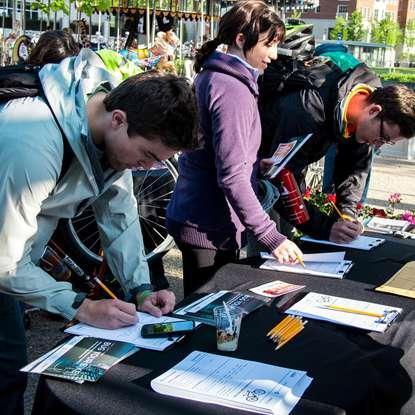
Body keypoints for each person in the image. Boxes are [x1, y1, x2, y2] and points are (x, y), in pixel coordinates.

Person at [0, 48, 198, 414]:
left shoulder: (105, 134)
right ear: (119, 119)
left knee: (9, 367)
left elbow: (120, 220)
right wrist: (80, 306)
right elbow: (4, 262)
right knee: (4, 370)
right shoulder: (30, 138)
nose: (146, 168)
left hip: (12, 261)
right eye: (148, 156)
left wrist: (141, 289)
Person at [166, 0, 304, 296]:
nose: (275, 55)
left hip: (197, 215)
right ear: (242, 40)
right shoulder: (232, 89)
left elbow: (216, 153)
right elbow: (231, 177)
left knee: (204, 314)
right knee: (208, 319)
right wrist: (272, 237)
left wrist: (252, 163)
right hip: (209, 224)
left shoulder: (214, 76)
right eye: (269, 44)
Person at [260, 45, 415, 244]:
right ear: (374, 111)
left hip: (288, 156)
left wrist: (347, 215)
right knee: (269, 242)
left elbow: (355, 166)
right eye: (383, 138)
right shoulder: (307, 110)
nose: (378, 145)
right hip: (259, 157)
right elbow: (280, 179)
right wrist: (326, 227)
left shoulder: (369, 95)